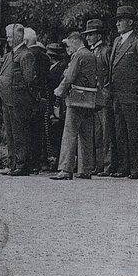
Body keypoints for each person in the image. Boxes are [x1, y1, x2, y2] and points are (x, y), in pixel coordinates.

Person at [49, 32, 99, 180]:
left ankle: (65, 169)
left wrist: (59, 91)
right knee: (86, 135)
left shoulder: (78, 55)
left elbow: (69, 77)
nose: (68, 48)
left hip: (76, 98)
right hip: (89, 99)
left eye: (69, 44)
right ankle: (85, 169)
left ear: (76, 42)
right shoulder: (91, 55)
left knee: (69, 133)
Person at [109, 6, 138, 179]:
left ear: (130, 22)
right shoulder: (117, 41)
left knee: (134, 132)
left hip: (133, 95)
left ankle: (137, 168)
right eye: (117, 20)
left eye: (121, 20)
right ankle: (123, 167)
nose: (118, 23)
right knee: (120, 132)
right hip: (117, 94)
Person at [0, 23, 37, 175]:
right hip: (8, 100)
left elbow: (29, 80)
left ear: (19, 37)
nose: (8, 40)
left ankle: (21, 165)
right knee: (10, 134)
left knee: (20, 134)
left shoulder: (26, 55)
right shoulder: (10, 55)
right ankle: (11, 163)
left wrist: (3, 81)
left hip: (19, 100)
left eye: (10, 37)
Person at [83, 19, 115, 177]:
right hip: (93, 98)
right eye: (87, 35)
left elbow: (110, 73)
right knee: (96, 133)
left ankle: (108, 165)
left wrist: (107, 91)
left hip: (103, 97)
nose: (88, 38)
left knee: (106, 133)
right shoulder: (92, 52)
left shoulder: (106, 51)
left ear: (99, 35)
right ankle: (98, 164)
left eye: (91, 35)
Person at [24, 27, 50, 173]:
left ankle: (27, 162)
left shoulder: (27, 55)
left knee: (26, 131)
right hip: (41, 97)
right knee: (38, 131)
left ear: (26, 41)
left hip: (29, 97)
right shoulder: (45, 57)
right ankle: (38, 162)